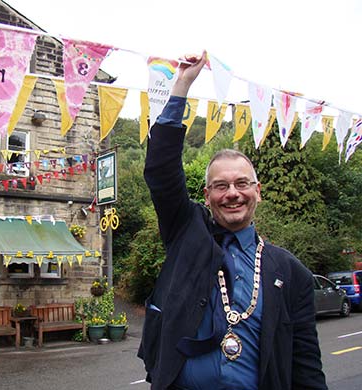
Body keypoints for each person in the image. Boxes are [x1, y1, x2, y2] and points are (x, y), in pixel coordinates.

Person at [137, 51, 327, 390]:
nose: (232, 193)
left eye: (242, 184)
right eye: (221, 186)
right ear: (207, 196)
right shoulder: (187, 234)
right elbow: (161, 172)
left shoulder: (291, 271)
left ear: (258, 191)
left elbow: (306, 364)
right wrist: (182, 85)